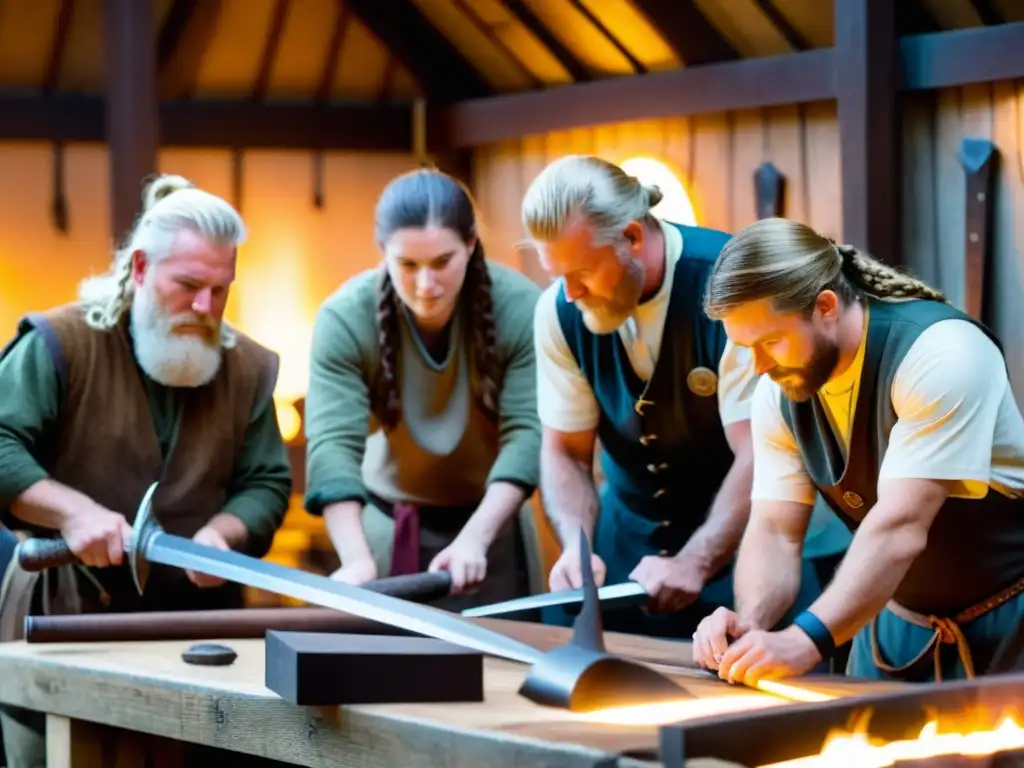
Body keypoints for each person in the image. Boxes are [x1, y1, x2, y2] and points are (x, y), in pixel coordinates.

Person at [0, 173, 292, 767]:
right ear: (138, 269)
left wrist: (223, 536)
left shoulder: (249, 367)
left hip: (199, 631)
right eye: (187, 285)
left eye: (221, 290)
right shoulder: (62, 342)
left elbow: (266, 483)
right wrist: (73, 513)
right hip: (63, 617)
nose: (206, 308)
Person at [692, 217, 1024, 685]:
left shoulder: (945, 353)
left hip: (1011, 623)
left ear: (825, 306)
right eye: (747, 348)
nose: (760, 367)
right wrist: (753, 624)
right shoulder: (778, 391)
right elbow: (775, 528)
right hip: (895, 625)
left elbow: (901, 527)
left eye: (770, 341)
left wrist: (804, 639)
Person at [521, 155, 828, 639]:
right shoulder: (558, 311)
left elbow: (760, 452)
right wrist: (577, 549)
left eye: (581, 272)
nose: (570, 292)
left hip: (743, 556)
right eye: (557, 274)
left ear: (633, 237)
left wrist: (697, 559)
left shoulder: (727, 287)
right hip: (623, 555)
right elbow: (565, 452)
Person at [303, 168, 543, 611]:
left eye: (441, 262)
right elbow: (332, 446)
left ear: (471, 246)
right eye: (407, 265)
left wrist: (475, 538)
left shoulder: (523, 307)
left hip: (492, 527)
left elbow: (528, 435)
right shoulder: (343, 318)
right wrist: (355, 559)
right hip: (387, 529)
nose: (425, 285)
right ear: (383, 252)